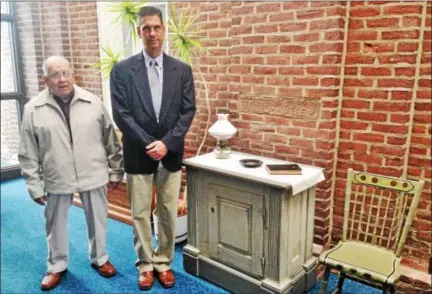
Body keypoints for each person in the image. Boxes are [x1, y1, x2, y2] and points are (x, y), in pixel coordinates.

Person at [18, 56, 124, 291]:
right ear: (45, 79)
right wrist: (34, 185)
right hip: (57, 174)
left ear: (73, 74)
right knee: (55, 223)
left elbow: (111, 139)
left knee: (97, 219)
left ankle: (100, 259)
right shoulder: (33, 109)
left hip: (93, 171)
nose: (62, 79)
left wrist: (116, 170)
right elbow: (27, 152)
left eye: (66, 72)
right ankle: (56, 265)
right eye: (55, 74)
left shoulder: (93, 101)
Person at [110, 5, 196, 291]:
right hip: (139, 153)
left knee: (168, 211)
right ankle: (145, 264)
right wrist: (150, 144)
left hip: (170, 155)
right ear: (139, 32)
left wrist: (167, 143)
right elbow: (121, 113)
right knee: (139, 212)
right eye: (146, 28)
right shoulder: (122, 70)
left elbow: (187, 111)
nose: (152, 33)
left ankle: (163, 262)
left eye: (156, 27)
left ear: (164, 29)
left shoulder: (181, 70)